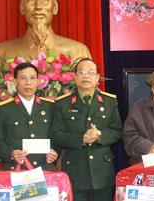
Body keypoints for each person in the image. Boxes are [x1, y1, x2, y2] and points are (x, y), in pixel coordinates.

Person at [50, 58, 122, 201]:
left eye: (90, 72)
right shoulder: (62, 104)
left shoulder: (109, 102)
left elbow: (117, 131)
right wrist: (81, 139)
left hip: (102, 172)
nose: (86, 76)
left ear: (97, 78)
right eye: (81, 72)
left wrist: (100, 135)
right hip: (75, 171)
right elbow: (56, 134)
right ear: (75, 77)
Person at [0, 0, 91, 64]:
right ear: (22, 8)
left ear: (55, 7)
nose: (38, 7)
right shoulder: (1, 53)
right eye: (31, 0)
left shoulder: (77, 51)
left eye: (45, 0)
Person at [0, 63, 59, 170]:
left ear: (38, 81)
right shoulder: (4, 109)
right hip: (16, 169)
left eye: (32, 78)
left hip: (44, 168)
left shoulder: (50, 107)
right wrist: (11, 153)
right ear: (15, 82)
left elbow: (58, 136)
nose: (28, 83)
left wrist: (54, 151)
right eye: (23, 78)